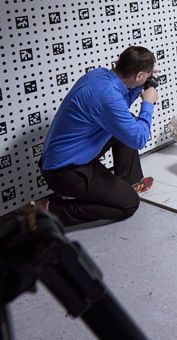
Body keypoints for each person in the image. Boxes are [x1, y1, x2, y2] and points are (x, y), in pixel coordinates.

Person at [38, 46, 160, 225]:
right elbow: (138, 139)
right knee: (128, 204)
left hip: (67, 155)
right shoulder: (106, 97)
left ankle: (130, 182)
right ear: (139, 75)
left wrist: (139, 86)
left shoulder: (100, 75)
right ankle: (49, 210)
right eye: (147, 76)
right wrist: (147, 103)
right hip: (66, 171)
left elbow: (117, 109)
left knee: (129, 122)